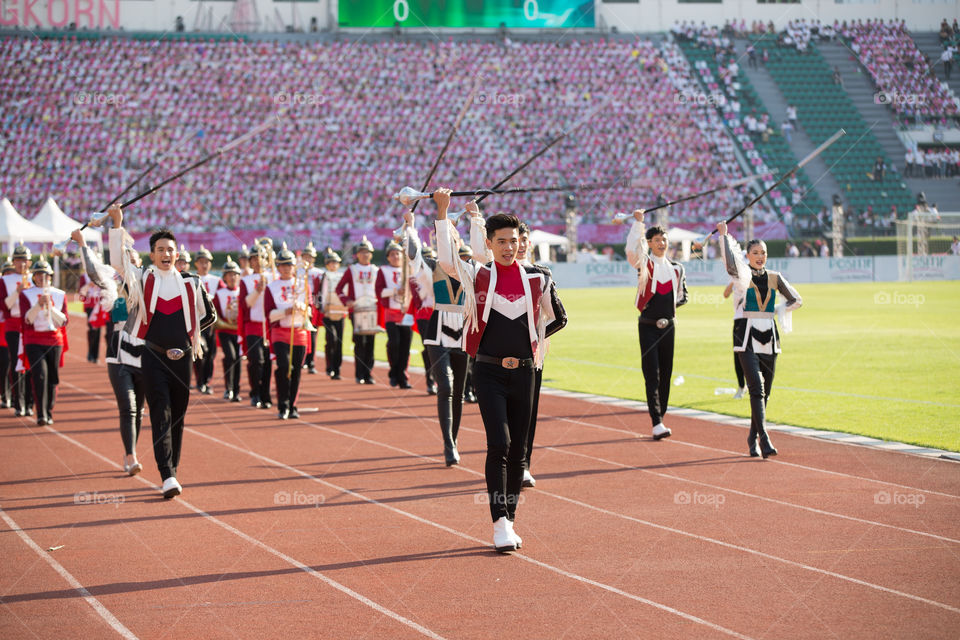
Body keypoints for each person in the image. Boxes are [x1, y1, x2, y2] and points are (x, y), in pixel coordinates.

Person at [435, 188, 559, 553]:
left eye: (514, 240)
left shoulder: (539, 279)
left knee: (519, 452)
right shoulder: (477, 275)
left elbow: (554, 319)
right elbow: (445, 261)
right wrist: (443, 214)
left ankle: (511, 519)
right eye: (501, 241)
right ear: (488, 244)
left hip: (525, 373)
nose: (508, 247)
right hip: (488, 373)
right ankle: (499, 523)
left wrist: (538, 342)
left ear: (522, 242)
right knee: (499, 444)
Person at [102, 203, 216, 498]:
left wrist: (190, 340)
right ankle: (167, 475)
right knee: (161, 415)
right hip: (152, 357)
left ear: (177, 254)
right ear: (152, 254)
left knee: (177, 418)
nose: (166, 254)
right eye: (161, 250)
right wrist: (117, 225)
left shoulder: (193, 283)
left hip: (183, 359)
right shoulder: (143, 279)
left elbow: (210, 316)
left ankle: (172, 472)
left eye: (171, 250)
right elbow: (118, 264)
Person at [717, 220, 802, 457]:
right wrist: (724, 236)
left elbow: (797, 300)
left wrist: (777, 310)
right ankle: (764, 438)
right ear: (747, 255)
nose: (760, 256)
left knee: (767, 392)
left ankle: (752, 437)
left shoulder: (775, 277)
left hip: (770, 338)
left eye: (763, 252)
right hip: (746, 337)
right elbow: (730, 264)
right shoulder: (743, 276)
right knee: (756, 388)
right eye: (755, 252)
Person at [73, 227, 145, 475]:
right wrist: (82, 243)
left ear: (140, 264)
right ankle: (131, 455)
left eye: (133, 260)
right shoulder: (113, 285)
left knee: (140, 410)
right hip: (118, 354)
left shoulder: (149, 283)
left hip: (145, 354)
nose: (129, 265)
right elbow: (94, 271)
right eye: (125, 261)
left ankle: (131, 448)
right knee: (128, 407)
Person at [402, 211, 472, 466]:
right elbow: (413, 256)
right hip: (437, 332)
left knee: (460, 391)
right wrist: (410, 228)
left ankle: (453, 439)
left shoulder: (470, 268)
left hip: (463, 334)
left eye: (454, 240)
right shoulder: (431, 266)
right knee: (446, 387)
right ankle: (449, 444)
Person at [617, 209, 688, 440]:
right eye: (656, 240)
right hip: (647, 326)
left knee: (666, 374)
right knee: (652, 374)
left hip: (669, 327)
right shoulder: (644, 264)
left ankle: (661, 416)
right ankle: (656, 421)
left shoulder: (677, 268)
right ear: (649, 243)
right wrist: (639, 223)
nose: (662, 243)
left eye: (664, 239)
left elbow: (682, 296)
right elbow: (631, 250)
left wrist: (671, 313)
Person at [264, 247, 312, 419]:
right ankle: (282, 405)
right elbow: (269, 314)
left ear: (294, 266)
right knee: (284, 367)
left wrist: (302, 308)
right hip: (280, 332)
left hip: (299, 332)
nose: (286, 268)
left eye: (289, 265)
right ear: (278, 267)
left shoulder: (302, 284)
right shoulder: (272, 287)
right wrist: (286, 312)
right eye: (282, 265)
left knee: (297, 371)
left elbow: (311, 310)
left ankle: (292, 405)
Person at [19, 257, 68, 426]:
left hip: (54, 340)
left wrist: (51, 307)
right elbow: (27, 320)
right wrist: (38, 306)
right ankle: (41, 414)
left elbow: (63, 321)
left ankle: (49, 410)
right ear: (33, 276)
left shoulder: (59, 294)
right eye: (38, 274)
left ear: (50, 276)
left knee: (52, 378)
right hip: (34, 340)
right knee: (40, 375)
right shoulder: (26, 294)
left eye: (45, 275)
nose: (42, 278)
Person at [335, 237, 380, 385]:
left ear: (371, 254)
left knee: (371, 343)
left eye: (367, 252)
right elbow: (339, 288)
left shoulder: (376, 270)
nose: (364, 255)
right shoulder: (352, 269)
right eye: (361, 252)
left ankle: (369, 374)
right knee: (360, 342)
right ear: (357, 254)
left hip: (373, 311)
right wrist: (346, 300)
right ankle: (359, 374)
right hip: (357, 311)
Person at [238, 242, 274, 408]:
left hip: (269, 325)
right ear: (251, 261)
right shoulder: (246, 280)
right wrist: (257, 290)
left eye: (262, 258)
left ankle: (265, 394)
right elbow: (245, 304)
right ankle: (255, 392)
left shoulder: (273, 277)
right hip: (253, 325)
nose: (258, 262)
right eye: (255, 259)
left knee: (268, 362)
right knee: (256, 360)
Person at [1, 244, 35, 417]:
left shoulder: (36, 277)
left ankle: (29, 402)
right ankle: (18, 402)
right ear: (13, 261)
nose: (22, 263)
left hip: (31, 325)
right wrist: (17, 291)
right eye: (19, 260)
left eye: (25, 260)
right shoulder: (5, 280)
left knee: (31, 365)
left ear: (29, 262)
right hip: (13, 326)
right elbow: (5, 306)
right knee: (16, 363)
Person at [376, 240, 414, 389]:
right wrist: (394, 291)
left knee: (406, 346)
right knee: (394, 343)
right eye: (392, 254)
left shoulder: (409, 270)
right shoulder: (383, 270)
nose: (395, 256)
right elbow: (379, 291)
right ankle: (393, 372)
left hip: (406, 312)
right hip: (391, 312)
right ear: (388, 257)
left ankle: (403, 376)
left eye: (398, 253)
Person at [214, 256, 242, 402]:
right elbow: (216, 313)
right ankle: (228, 388)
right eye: (229, 274)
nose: (232, 277)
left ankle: (236, 390)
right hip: (225, 331)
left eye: (235, 274)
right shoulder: (219, 293)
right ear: (224, 277)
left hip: (239, 331)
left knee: (238, 359)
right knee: (230, 356)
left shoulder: (242, 292)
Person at [193, 245, 221, 395]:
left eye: (207, 262)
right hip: (199, 322)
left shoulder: (217, 280)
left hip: (214, 324)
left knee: (211, 354)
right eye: (201, 261)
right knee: (201, 351)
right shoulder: (192, 279)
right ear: (196, 263)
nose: (204, 265)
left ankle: (206, 381)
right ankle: (199, 381)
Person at [317, 248, 346, 379]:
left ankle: (337, 368)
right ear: (327, 264)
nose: (333, 265)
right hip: (328, 313)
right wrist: (322, 308)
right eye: (331, 262)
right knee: (331, 339)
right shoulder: (325, 276)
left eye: (335, 262)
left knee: (339, 342)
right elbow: (321, 293)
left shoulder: (342, 276)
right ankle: (330, 366)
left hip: (340, 313)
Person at [723, 281, 747, 399]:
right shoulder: (735, 280)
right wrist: (733, 282)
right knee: (738, 354)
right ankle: (741, 386)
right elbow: (725, 294)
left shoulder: (754, 277)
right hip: (739, 320)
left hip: (754, 319)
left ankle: (753, 384)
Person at [78, 261, 105, 363]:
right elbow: (81, 293)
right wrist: (89, 285)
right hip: (90, 305)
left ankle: (95, 355)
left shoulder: (101, 276)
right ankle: (90, 353)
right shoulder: (84, 277)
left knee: (98, 329)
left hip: (100, 305)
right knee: (92, 329)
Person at [301, 242, 322, 375]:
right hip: (299, 306)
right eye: (306, 256)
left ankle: (311, 362)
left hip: (313, 305)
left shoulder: (319, 273)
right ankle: (302, 359)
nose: (308, 259)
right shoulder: (297, 272)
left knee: (313, 334)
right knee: (301, 333)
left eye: (310, 257)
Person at [0, 260, 12, 409]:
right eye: (6, 273)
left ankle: (9, 395)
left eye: (11, 273)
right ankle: (5, 394)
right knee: (3, 365)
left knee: (10, 364)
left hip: (10, 331)